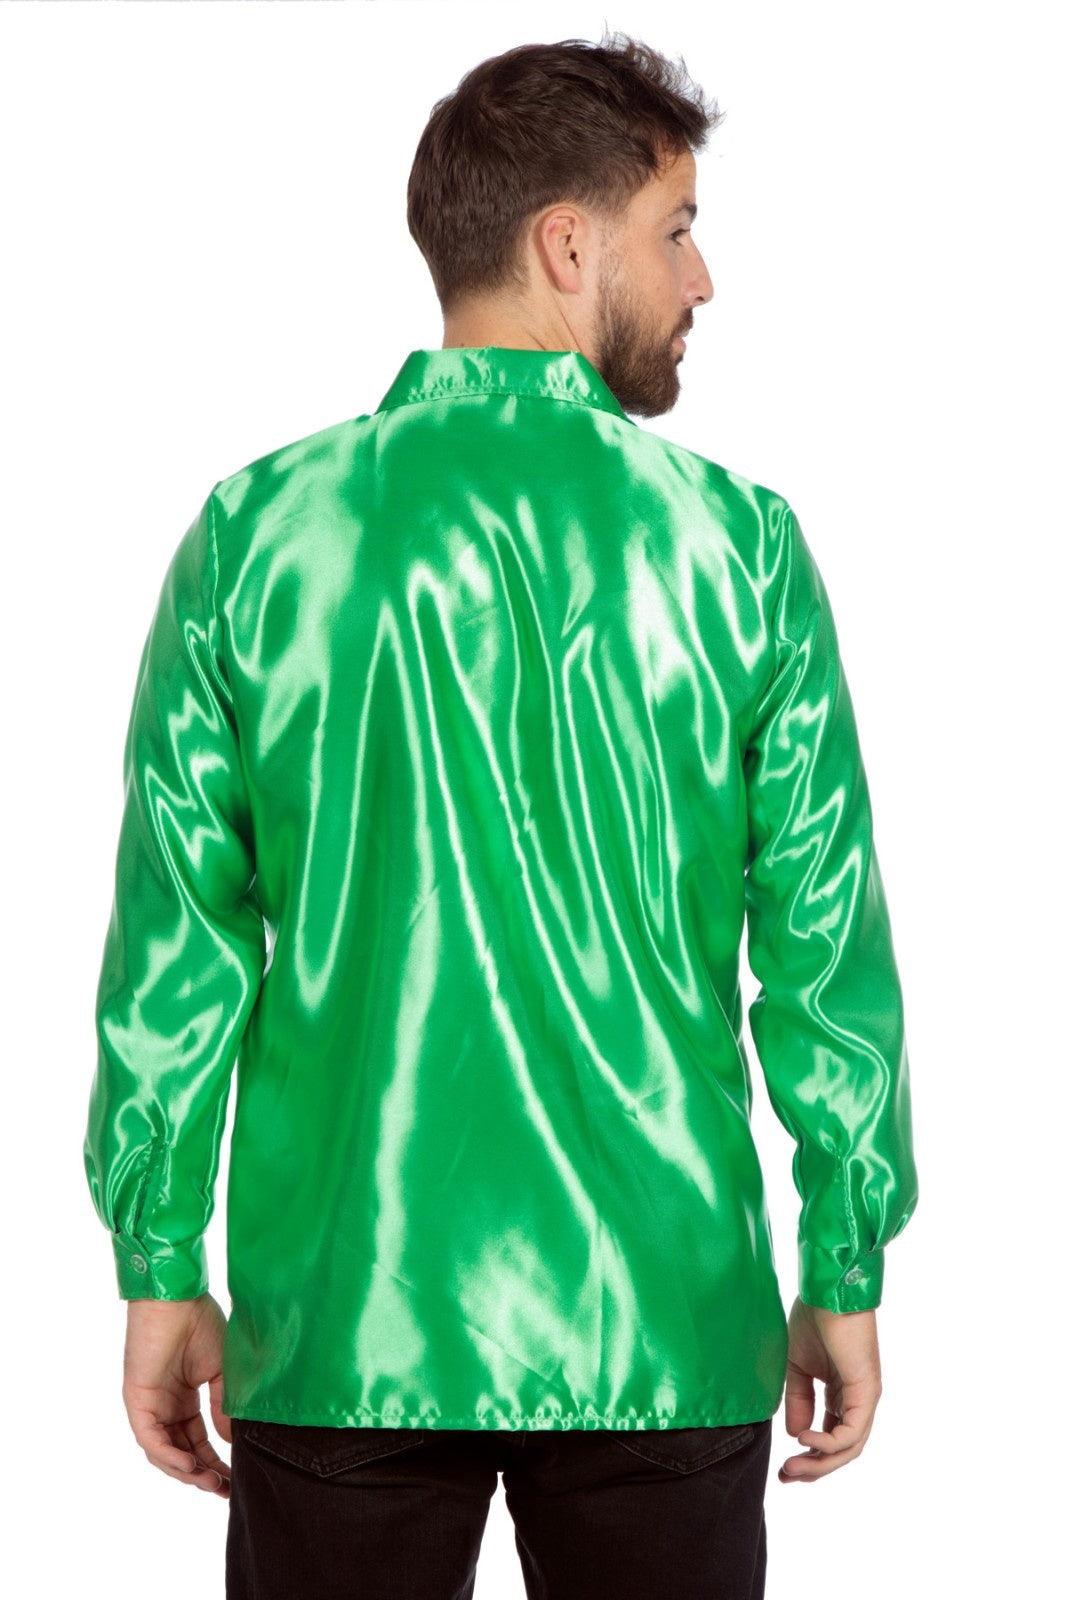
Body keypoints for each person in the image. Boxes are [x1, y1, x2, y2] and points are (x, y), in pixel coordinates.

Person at [83, 32, 918, 1600]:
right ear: (566, 245)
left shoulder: (260, 537)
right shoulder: (734, 550)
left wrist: (160, 1264)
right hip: (663, 1316)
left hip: (346, 1316)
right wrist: (843, 1260)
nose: (703, 279)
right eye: (677, 229)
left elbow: (177, 949)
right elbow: (824, 947)